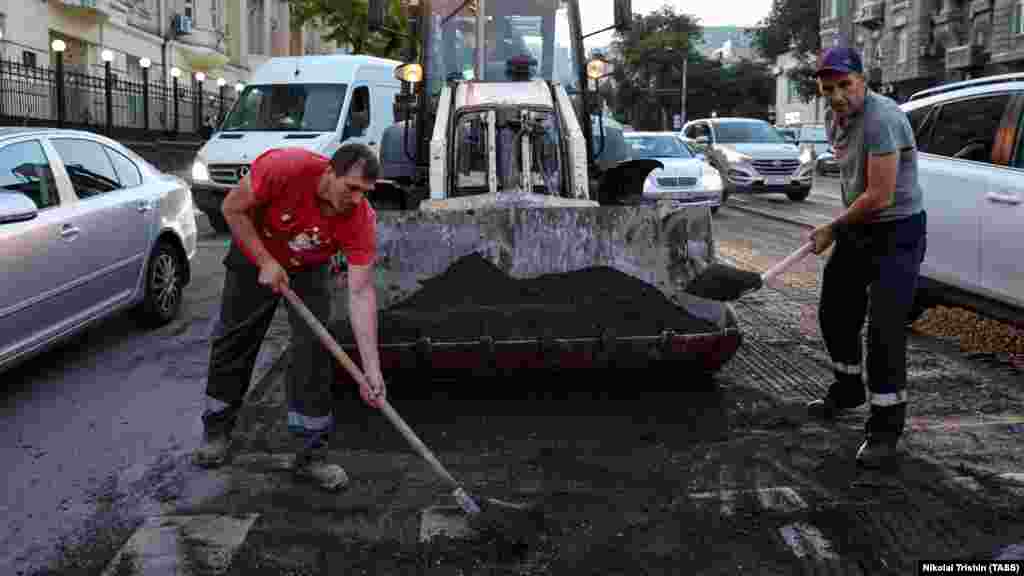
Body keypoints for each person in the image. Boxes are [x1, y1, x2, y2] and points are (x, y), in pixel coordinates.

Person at [192, 143, 387, 491]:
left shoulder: (360, 219)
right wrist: (265, 261)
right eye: (352, 188)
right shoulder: (285, 168)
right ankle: (217, 430)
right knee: (236, 338)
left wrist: (371, 371)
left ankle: (311, 454)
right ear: (330, 172)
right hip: (254, 252)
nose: (357, 199)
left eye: (366, 192)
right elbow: (232, 208)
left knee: (314, 351)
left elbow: (360, 293)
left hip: (309, 267)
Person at [805, 46, 927, 469]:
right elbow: (852, 180)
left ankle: (885, 428)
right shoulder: (833, 119)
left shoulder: (883, 119)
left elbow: (879, 195)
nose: (837, 95)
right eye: (828, 88)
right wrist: (844, 226)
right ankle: (848, 387)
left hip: (898, 230)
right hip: (860, 228)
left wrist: (832, 227)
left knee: (884, 329)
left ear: (863, 81)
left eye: (845, 85)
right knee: (835, 311)